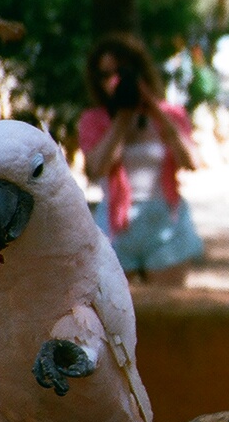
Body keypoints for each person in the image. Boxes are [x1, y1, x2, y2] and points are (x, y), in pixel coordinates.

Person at [79, 34, 205, 285]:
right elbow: (96, 169)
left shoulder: (170, 114)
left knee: (168, 312)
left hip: (166, 224)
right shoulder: (94, 120)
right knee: (118, 316)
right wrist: (122, 118)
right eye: (105, 75)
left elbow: (191, 162)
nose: (114, 81)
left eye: (121, 72)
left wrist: (153, 108)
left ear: (138, 71)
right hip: (116, 225)